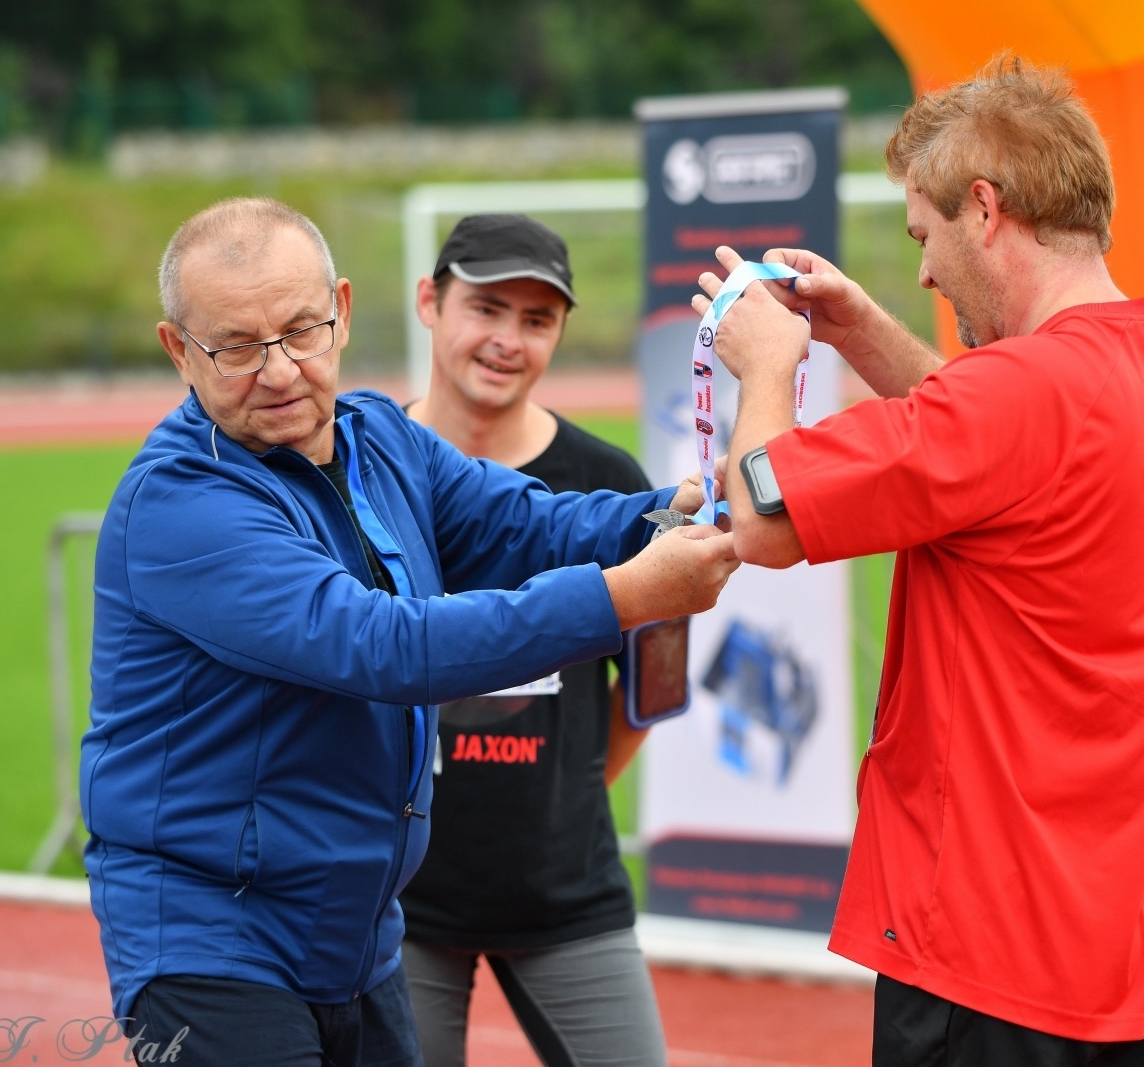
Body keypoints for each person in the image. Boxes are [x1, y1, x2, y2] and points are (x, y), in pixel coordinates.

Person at [81, 197, 735, 1067]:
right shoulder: (180, 503)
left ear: (343, 312)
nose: (278, 371)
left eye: (302, 330)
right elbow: (384, 646)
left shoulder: (380, 435)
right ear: (178, 351)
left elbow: (527, 525)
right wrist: (621, 594)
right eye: (235, 346)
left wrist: (670, 508)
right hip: (211, 938)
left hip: (355, 929)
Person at [695, 54, 1144, 1067]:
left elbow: (761, 515)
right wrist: (857, 329)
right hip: (1110, 944)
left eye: (924, 237)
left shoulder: (1012, 399)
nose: (926, 270)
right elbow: (985, 436)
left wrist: (770, 363)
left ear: (982, 208)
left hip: (986, 951)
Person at [397, 214, 670, 1067]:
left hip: (566, 895)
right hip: (397, 898)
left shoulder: (609, 485)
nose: (507, 339)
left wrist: (568, 789)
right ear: (429, 303)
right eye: (486, 308)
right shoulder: (367, 473)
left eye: (537, 319)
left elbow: (651, 689)